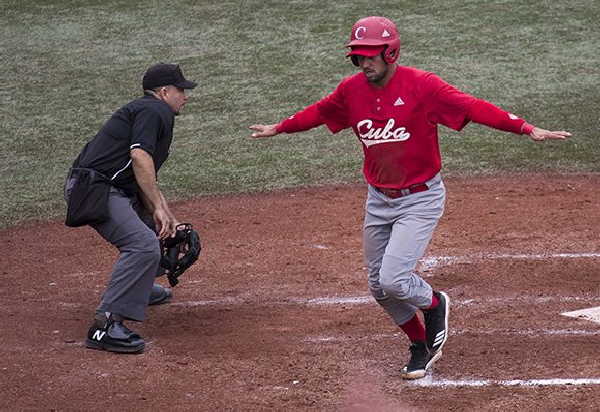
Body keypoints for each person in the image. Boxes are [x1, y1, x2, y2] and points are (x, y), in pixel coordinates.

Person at [249, 16, 571, 379]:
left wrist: (525, 127)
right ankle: (419, 343)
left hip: (420, 199)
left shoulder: (423, 86)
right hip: (379, 199)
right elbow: (320, 112)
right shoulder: (350, 91)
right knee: (378, 287)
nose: (364, 63)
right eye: (358, 57)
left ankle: (435, 304)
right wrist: (281, 127)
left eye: (371, 56)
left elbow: (472, 107)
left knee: (394, 279)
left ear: (390, 52)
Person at [64, 63, 197, 353]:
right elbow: (139, 157)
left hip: (110, 187)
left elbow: (145, 175)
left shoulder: (150, 110)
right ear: (164, 92)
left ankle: (139, 289)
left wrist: (164, 211)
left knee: (157, 227)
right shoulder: (155, 111)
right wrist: (157, 209)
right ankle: (105, 325)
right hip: (96, 190)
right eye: (181, 90)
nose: (185, 96)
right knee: (143, 245)